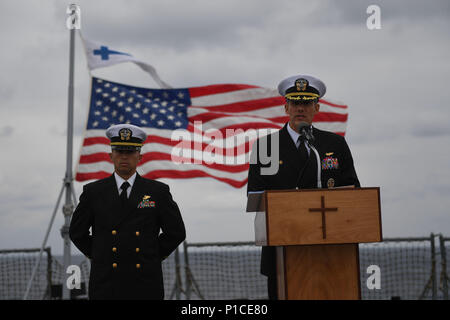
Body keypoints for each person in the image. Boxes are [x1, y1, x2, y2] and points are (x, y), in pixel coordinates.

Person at [247, 75, 360, 300]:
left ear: (317, 107)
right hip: (282, 249)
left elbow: (353, 192)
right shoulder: (267, 146)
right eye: (295, 103)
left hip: (331, 250)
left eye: (306, 103)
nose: (301, 108)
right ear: (286, 106)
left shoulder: (334, 144)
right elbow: (255, 197)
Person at [69, 123, 186, 300]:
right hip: (106, 284)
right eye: (119, 151)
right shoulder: (93, 192)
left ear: (140, 156)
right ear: (111, 155)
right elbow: (77, 233)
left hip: (145, 283)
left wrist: (151, 256)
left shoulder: (157, 192)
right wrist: (102, 255)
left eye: (130, 152)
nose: (124, 156)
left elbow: (176, 232)